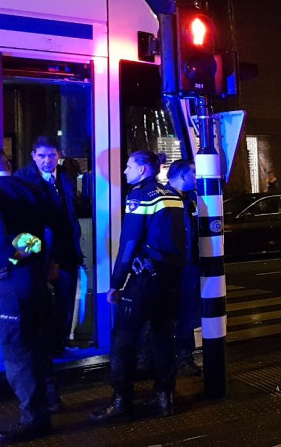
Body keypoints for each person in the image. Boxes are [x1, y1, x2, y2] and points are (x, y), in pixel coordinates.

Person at [0, 147, 57, 442]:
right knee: (37, 341)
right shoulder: (31, 188)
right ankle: (50, 400)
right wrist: (30, 253)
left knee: (16, 349)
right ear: (8, 162)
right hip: (35, 277)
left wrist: (9, 259)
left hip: (9, 284)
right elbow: (48, 230)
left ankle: (34, 418)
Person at [91, 151, 186, 422]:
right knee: (163, 338)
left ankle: (122, 401)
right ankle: (164, 398)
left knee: (123, 340)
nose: (124, 172)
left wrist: (116, 282)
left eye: (129, 166)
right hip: (168, 279)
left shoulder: (139, 196)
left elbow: (129, 243)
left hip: (142, 280)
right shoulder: (172, 194)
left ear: (143, 169)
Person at [16, 136, 84, 356]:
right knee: (39, 302)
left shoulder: (66, 176)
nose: (47, 160)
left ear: (59, 156)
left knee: (65, 301)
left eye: (52, 155)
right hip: (39, 253)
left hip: (67, 250)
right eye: (42, 156)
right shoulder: (22, 179)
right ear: (33, 156)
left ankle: (59, 344)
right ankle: (40, 346)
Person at [167, 159, 202, 376]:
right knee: (175, 313)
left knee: (187, 312)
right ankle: (178, 357)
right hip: (174, 266)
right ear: (181, 175)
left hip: (189, 265)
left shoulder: (190, 200)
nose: (197, 178)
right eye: (193, 174)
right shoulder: (165, 199)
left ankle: (183, 356)